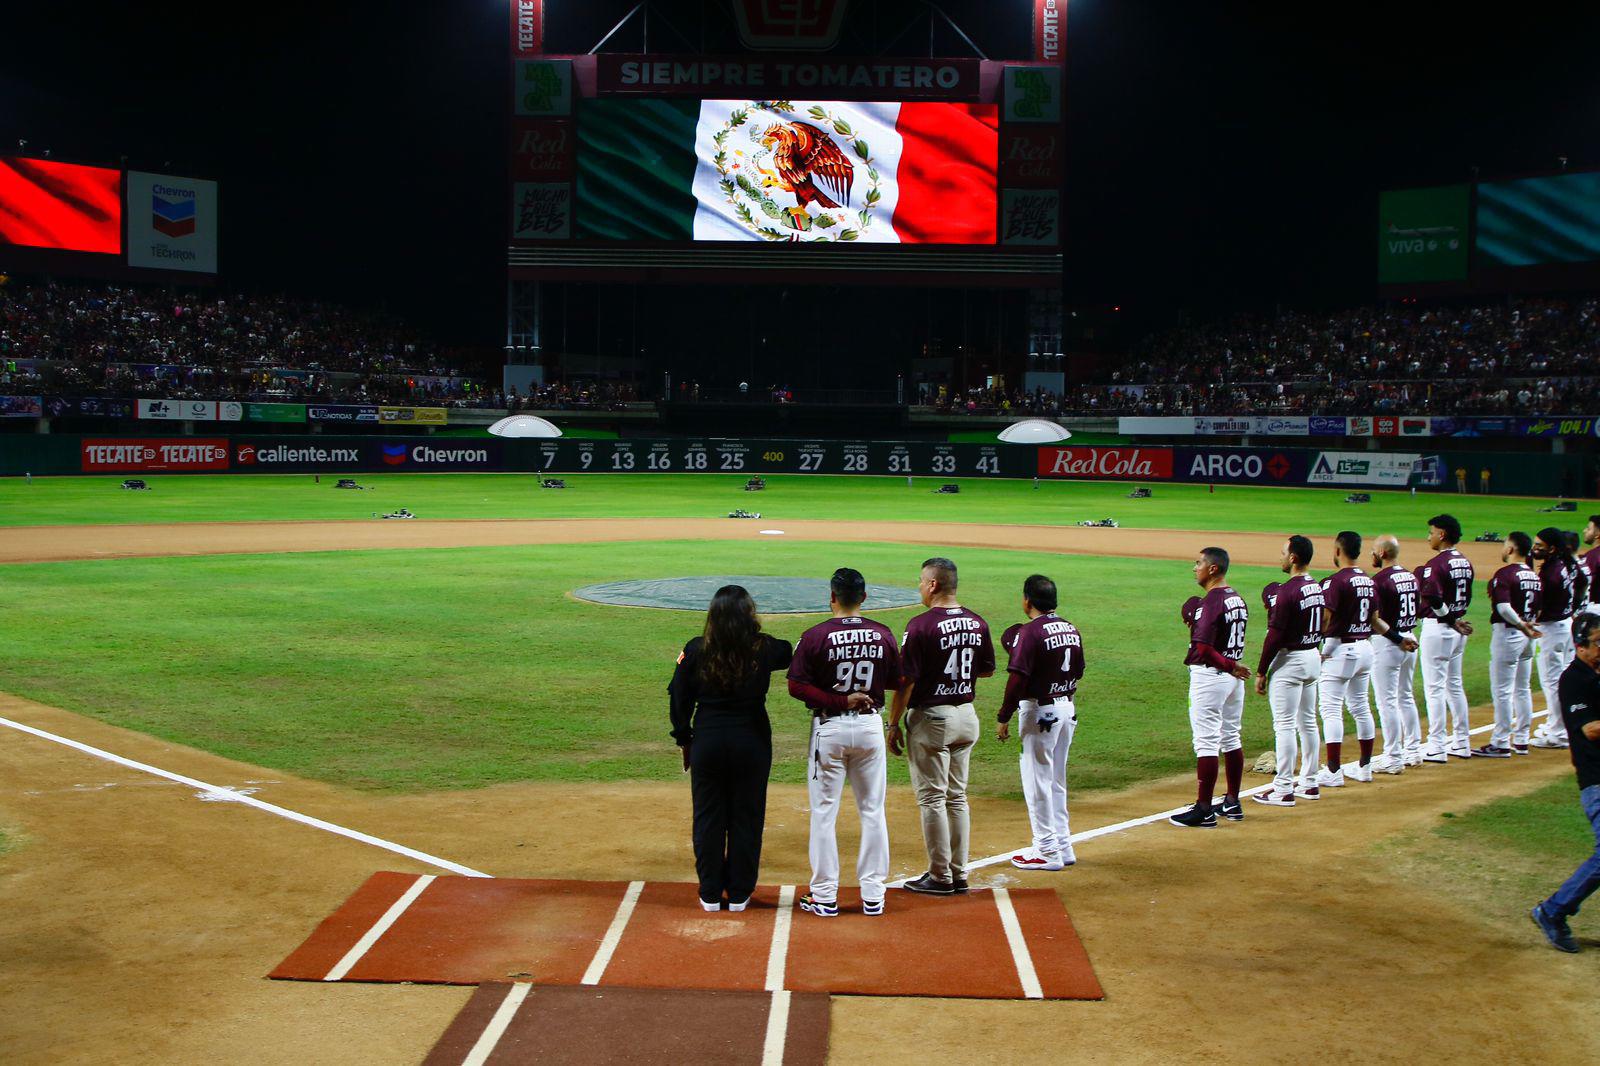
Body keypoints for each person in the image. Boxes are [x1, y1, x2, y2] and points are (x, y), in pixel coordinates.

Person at [668, 585, 794, 912]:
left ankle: (710, 893)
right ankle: (739, 893)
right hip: (751, 743)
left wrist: (684, 738)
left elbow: (678, 697)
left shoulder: (696, 650)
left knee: (708, 818)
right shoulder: (764, 648)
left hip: (707, 742)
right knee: (746, 817)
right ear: (748, 615)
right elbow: (790, 651)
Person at [786, 568, 897, 918]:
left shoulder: (815, 635)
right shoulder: (882, 633)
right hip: (870, 727)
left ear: (832, 597)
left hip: (830, 729)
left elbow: (796, 685)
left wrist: (839, 699)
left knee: (823, 813)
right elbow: (897, 678)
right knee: (873, 810)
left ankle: (824, 895)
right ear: (864, 597)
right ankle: (874, 895)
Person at [889, 557, 995, 894]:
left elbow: (906, 681)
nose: (920, 587)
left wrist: (892, 724)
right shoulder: (977, 622)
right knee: (957, 797)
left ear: (933, 585)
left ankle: (939, 876)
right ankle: (958, 873)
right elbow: (986, 669)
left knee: (932, 799)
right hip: (966, 715)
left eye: (922, 581)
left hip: (933, 718)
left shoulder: (921, 625)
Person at [996, 574, 1085, 869]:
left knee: (1037, 782)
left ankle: (1046, 849)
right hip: (1066, 708)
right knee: (1056, 780)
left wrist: (1004, 715)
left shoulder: (1030, 632)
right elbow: (1079, 670)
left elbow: (1017, 679)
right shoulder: (1070, 628)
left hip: (1041, 711)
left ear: (1027, 601)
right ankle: (1063, 845)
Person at [1529, 614, 1600, 953]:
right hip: (1596, 780)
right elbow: (1591, 729)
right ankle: (1553, 911)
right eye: (1598, 643)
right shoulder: (1574, 680)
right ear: (1580, 645)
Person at [1317, 531, 1409, 784]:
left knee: (1331, 709)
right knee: (1360, 707)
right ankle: (1365, 768)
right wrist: (1399, 639)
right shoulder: (1369, 580)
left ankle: (1333, 772)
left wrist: (1317, 648)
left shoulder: (1335, 582)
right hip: (1365, 649)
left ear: (1338, 551)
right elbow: (1375, 620)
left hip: (1340, 650)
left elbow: (1325, 619)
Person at [1171, 547, 1251, 828]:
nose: (1195, 568)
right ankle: (1232, 801)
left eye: (1199, 563)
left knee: (1206, 741)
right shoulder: (1236, 598)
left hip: (1212, 676)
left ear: (1213, 568)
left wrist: (1229, 666)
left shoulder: (1211, 602)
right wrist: (1233, 667)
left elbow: (1204, 648)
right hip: (1232, 679)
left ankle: (1204, 810)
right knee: (1231, 737)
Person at [1252, 535, 1324, 807]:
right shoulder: (1315, 586)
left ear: (1293, 558)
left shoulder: (1287, 591)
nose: (1281, 557)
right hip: (1312, 656)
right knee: (1308, 722)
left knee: (1284, 725)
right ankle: (1310, 782)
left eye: (1284, 553)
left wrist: (1261, 671)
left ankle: (1283, 788)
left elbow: (1274, 636)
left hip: (1291, 660)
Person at [1476, 532, 1542, 758]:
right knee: (1522, 688)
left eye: (1505, 544)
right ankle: (1522, 739)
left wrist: (1521, 625)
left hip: (1510, 634)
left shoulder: (1505, 574)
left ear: (1511, 549)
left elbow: (1503, 608)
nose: (1503, 548)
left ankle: (1501, 741)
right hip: (1527, 637)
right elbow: (1539, 608)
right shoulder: (1534, 576)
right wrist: (1527, 625)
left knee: (1503, 691)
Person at [1417, 514, 1475, 761]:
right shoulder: (1465, 562)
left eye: (1431, 532)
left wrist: (1451, 620)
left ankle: (1437, 745)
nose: (1428, 537)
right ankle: (1462, 742)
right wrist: (1457, 620)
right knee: (1454, 685)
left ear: (1442, 534)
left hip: (1441, 628)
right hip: (1459, 629)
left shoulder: (1436, 563)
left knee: (1434, 688)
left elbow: (1433, 597)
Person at [1369, 535, 1424, 770]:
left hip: (1390, 642)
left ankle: (1392, 757)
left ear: (1382, 553)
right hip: (1410, 638)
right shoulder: (1411, 577)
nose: (1371, 554)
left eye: (1373, 550)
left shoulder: (1379, 580)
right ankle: (1413, 750)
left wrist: (1397, 639)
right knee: (1405, 696)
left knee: (1387, 702)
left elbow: (1375, 620)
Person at [1532, 527, 1582, 750]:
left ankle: (1557, 733)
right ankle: (1558, 724)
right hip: (1565, 625)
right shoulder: (1566, 564)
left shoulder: (1550, 574)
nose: (1534, 549)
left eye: (1539, 546)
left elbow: (1539, 608)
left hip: (1551, 630)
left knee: (1552, 682)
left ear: (1552, 548)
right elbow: (1582, 583)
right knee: (1561, 679)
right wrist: (1573, 608)